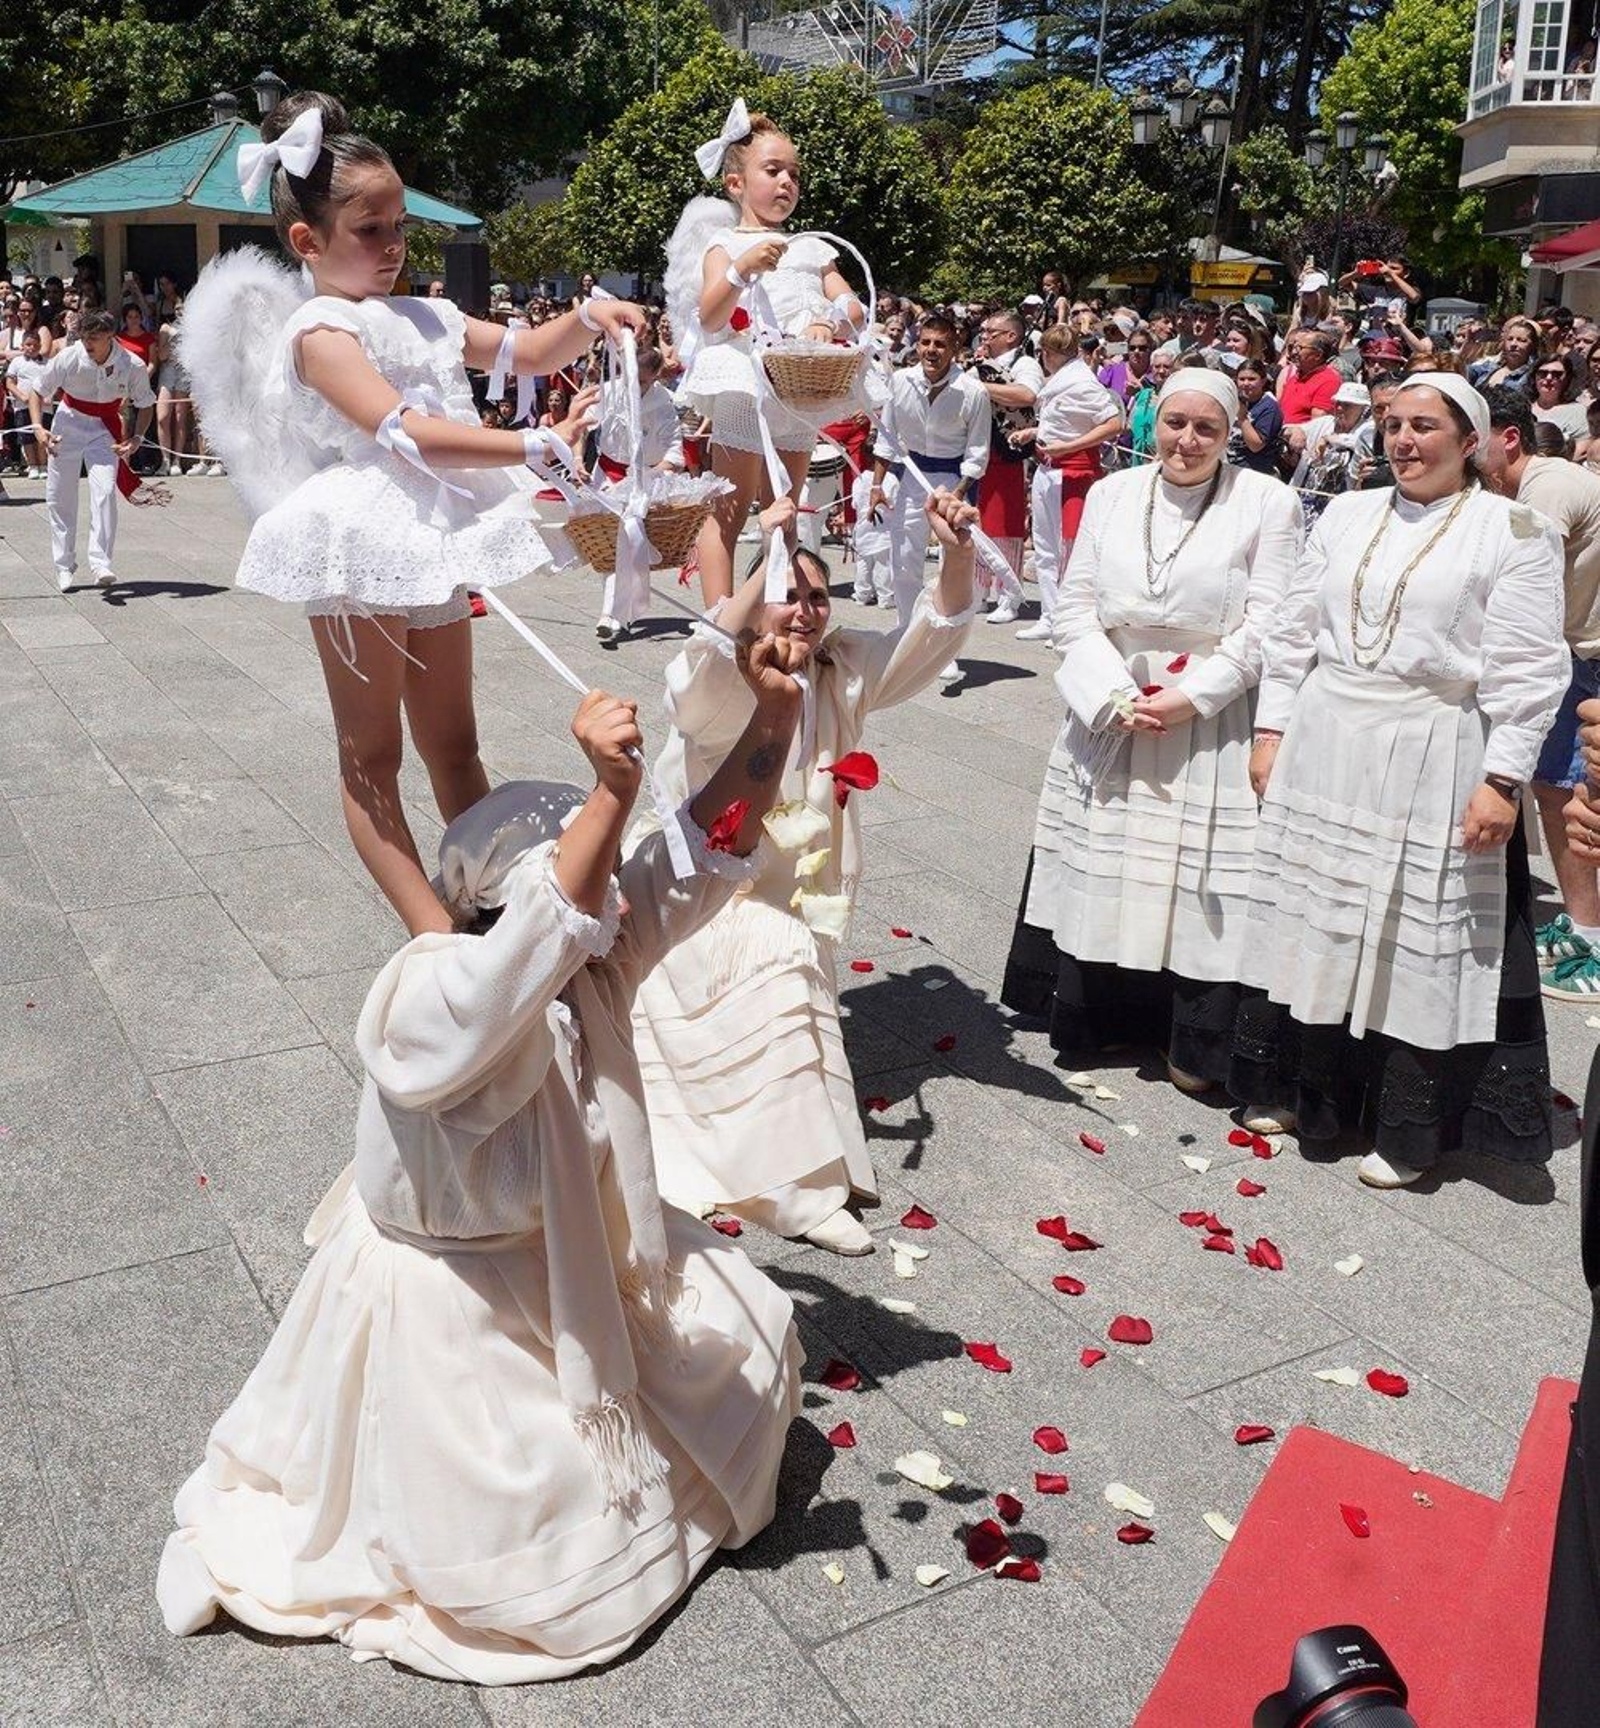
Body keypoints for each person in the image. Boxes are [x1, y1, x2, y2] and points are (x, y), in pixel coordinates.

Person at [158, 637, 811, 1682]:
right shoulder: (439, 1000)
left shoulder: (592, 961)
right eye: (594, 879)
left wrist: (774, 716)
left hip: (555, 1269)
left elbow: (704, 842)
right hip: (447, 1320)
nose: (624, 900)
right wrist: (607, 792)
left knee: (751, 1331)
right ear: (508, 908)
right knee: (537, 1547)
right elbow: (531, 943)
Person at [179, 90, 644, 939]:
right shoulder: (318, 330)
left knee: (455, 745)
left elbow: (532, 351)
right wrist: (526, 447)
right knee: (371, 758)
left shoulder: (425, 313)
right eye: (370, 230)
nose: (393, 247)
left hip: (426, 541)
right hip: (357, 541)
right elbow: (404, 434)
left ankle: (501, 898)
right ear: (307, 241)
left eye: (399, 227)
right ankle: (435, 937)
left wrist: (591, 314)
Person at [1236, 373, 1568, 1186]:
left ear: (1471, 441)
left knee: (1411, 932)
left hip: (1433, 741)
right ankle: (1308, 1092)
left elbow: (1530, 668)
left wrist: (1502, 779)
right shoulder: (1348, 511)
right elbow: (1294, 630)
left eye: (1425, 426)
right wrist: (1272, 726)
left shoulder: (1514, 529)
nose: (1404, 441)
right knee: (1320, 915)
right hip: (1326, 735)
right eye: (1393, 424)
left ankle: (1404, 1124)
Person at [630, 491, 980, 1255]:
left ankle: (790, 1166)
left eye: (818, 598)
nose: (806, 612)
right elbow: (692, 686)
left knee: (792, 960)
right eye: (791, 597)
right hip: (704, 891)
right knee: (777, 960)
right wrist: (769, 550)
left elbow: (929, 636)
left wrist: (955, 552)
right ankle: (795, 1193)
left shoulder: (844, 668)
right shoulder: (726, 673)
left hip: (799, 887)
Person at [1002, 368, 1301, 1090]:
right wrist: (1111, 691)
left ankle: (1191, 1040)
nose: (1188, 440)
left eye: (1207, 428)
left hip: (1210, 716)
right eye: (1175, 423)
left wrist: (1194, 697)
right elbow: (1074, 605)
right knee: (1111, 864)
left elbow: (1274, 623)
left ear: (1231, 435)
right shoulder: (1111, 493)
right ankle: (1101, 1021)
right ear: (1153, 425)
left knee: (1193, 881)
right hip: (1114, 704)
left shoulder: (1268, 501)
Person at [666, 102, 866, 608]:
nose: (786, 183)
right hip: (746, 380)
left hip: (797, 387)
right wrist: (741, 270)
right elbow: (710, 316)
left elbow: (852, 306)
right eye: (773, 170)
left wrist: (833, 317)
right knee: (729, 511)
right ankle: (719, 616)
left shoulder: (813, 246)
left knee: (785, 506)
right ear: (736, 184)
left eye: (794, 173)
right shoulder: (725, 241)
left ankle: (777, 604)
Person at [1478, 384, 1600, 1001]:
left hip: (1586, 660)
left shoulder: (1546, 486)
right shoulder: (1534, 483)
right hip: (1580, 655)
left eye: (1476, 443)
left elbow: (1525, 577)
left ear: (1509, 439)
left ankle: (1589, 936)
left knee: (1562, 792)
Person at [869, 311, 990, 630]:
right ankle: (907, 629)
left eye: (940, 344)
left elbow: (977, 452)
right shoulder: (899, 381)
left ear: (954, 349)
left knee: (950, 563)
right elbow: (886, 438)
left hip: (953, 481)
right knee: (905, 558)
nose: (931, 350)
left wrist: (958, 495)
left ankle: (943, 636)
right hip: (911, 477)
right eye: (925, 342)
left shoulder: (973, 391)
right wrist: (876, 487)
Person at [25, 309, 157, 589]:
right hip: (67, 425)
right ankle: (63, 565)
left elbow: (145, 403)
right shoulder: (69, 357)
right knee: (60, 496)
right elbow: (38, 391)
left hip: (104, 429)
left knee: (105, 490)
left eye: (95, 337)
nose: (88, 342)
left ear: (110, 336)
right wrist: (39, 428)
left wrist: (137, 438)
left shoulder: (131, 363)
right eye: (85, 336)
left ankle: (100, 563)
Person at [1010, 323, 1122, 644]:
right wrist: (1035, 433)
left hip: (1072, 473)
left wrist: (1068, 447)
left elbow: (1114, 424)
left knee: (1070, 551)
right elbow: (1064, 421)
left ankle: (1071, 621)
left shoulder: (1083, 383)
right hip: (1048, 469)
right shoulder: (1063, 381)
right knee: (1045, 550)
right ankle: (1051, 614)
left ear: (1048, 353)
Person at [593, 344, 688, 646]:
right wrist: (577, 458)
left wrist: (657, 472)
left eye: (645, 380)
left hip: (643, 481)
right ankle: (616, 611)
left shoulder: (664, 402)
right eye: (632, 377)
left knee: (624, 541)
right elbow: (586, 427)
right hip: (607, 474)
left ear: (657, 377)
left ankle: (613, 615)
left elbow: (674, 446)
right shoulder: (609, 390)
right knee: (610, 544)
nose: (636, 385)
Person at [153, 318, 195, 477]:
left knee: (180, 417)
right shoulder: (166, 327)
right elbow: (162, 356)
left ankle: (177, 460)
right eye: (177, 309)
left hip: (184, 370)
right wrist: (174, 340)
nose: (180, 313)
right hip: (168, 371)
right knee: (163, 416)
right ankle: (165, 460)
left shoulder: (193, 327)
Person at [4, 329, 49, 478]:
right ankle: (33, 465)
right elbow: (10, 383)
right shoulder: (17, 362)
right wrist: (22, 396)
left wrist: (49, 396)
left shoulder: (47, 362)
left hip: (44, 406)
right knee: (27, 437)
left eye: (35, 345)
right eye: (28, 344)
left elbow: (54, 383)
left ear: (40, 345)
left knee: (41, 434)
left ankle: (43, 465)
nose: (32, 348)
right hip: (23, 405)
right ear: (22, 345)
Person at [1227, 358, 1283, 475]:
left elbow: (1256, 446)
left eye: (1252, 379)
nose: (1246, 383)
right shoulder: (1235, 400)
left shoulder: (1269, 407)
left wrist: (1242, 418)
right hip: (1228, 464)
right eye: (1242, 379)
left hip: (1253, 470)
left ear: (1263, 381)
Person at [1278, 329, 1342, 426]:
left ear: (1318, 355)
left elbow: (1317, 425)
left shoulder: (1329, 380)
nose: (1295, 352)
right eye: (1294, 347)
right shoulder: (1296, 376)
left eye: (1300, 348)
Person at [1468, 317, 1539, 391]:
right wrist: (1465, 350)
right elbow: (1462, 373)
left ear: (1532, 345)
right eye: (1510, 339)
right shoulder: (1488, 367)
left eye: (1522, 340)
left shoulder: (1532, 376)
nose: (1513, 344)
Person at [1533, 352, 1591, 440]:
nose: (1548, 378)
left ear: (1567, 379)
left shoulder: (1579, 412)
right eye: (1542, 373)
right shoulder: (1522, 407)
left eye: (1557, 374)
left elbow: (1582, 447)